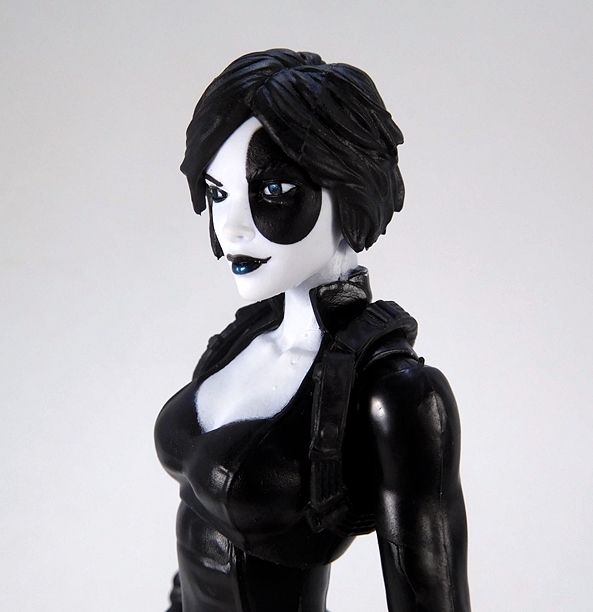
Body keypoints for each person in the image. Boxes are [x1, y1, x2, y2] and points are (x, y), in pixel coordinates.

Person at [155, 49, 471, 612]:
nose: (230, 228)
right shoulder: (241, 340)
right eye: (218, 193)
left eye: (273, 192)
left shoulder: (395, 395)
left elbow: (431, 596)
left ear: (351, 190)